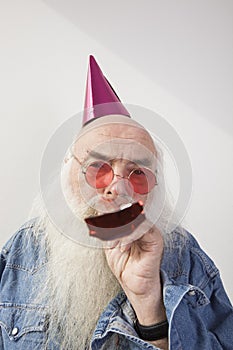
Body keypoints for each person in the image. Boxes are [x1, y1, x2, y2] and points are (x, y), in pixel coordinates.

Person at [0, 56, 232, 350]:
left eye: (138, 174)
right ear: (67, 169)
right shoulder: (21, 251)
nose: (117, 189)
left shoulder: (188, 260)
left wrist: (150, 308)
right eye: (98, 168)